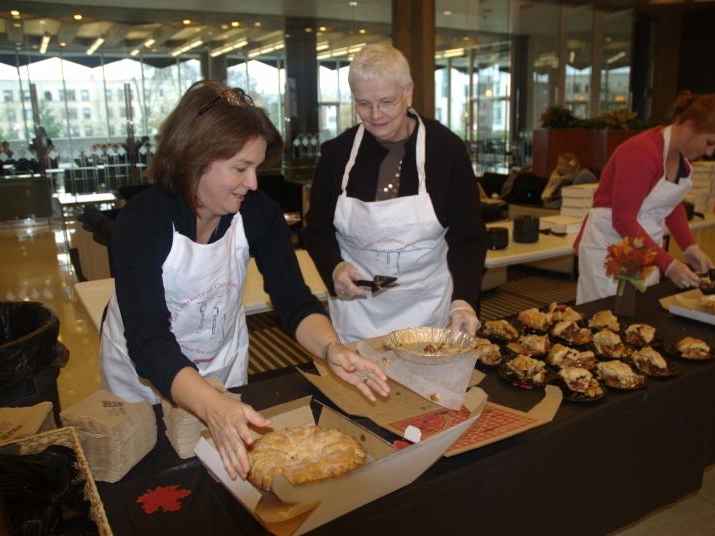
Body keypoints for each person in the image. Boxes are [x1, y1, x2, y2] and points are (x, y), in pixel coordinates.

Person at [99, 81, 389, 481]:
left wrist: (331, 348)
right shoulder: (143, 221)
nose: (253, 183)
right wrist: (208, 405)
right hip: (143, 377)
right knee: (158, 481)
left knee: (225, 480)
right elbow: (148, 339)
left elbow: (293, 300)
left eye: (256, 168)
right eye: (240, 168)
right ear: (193, 159)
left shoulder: (256, 211)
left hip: (221, 364)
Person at [305, 44, 486, 342]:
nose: (375, 115)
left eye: (386, 102)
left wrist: (464, 298)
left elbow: (468, 236)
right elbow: (317, 229)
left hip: (429, 311)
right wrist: (334, 267)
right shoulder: (337, 153)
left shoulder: (446, 150)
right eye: (363, 104)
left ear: (409, 92)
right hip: (358, 315)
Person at [574, 91, 715, 304]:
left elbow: (670, 203)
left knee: (638, 315)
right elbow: (623, 220)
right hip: (610, 243)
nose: (710, 152)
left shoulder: (681, 159)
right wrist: (668, 265)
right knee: (604, 316)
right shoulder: (641, 153)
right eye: (709, 142)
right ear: (690, 126)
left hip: (645, 247)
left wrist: (690, 248)